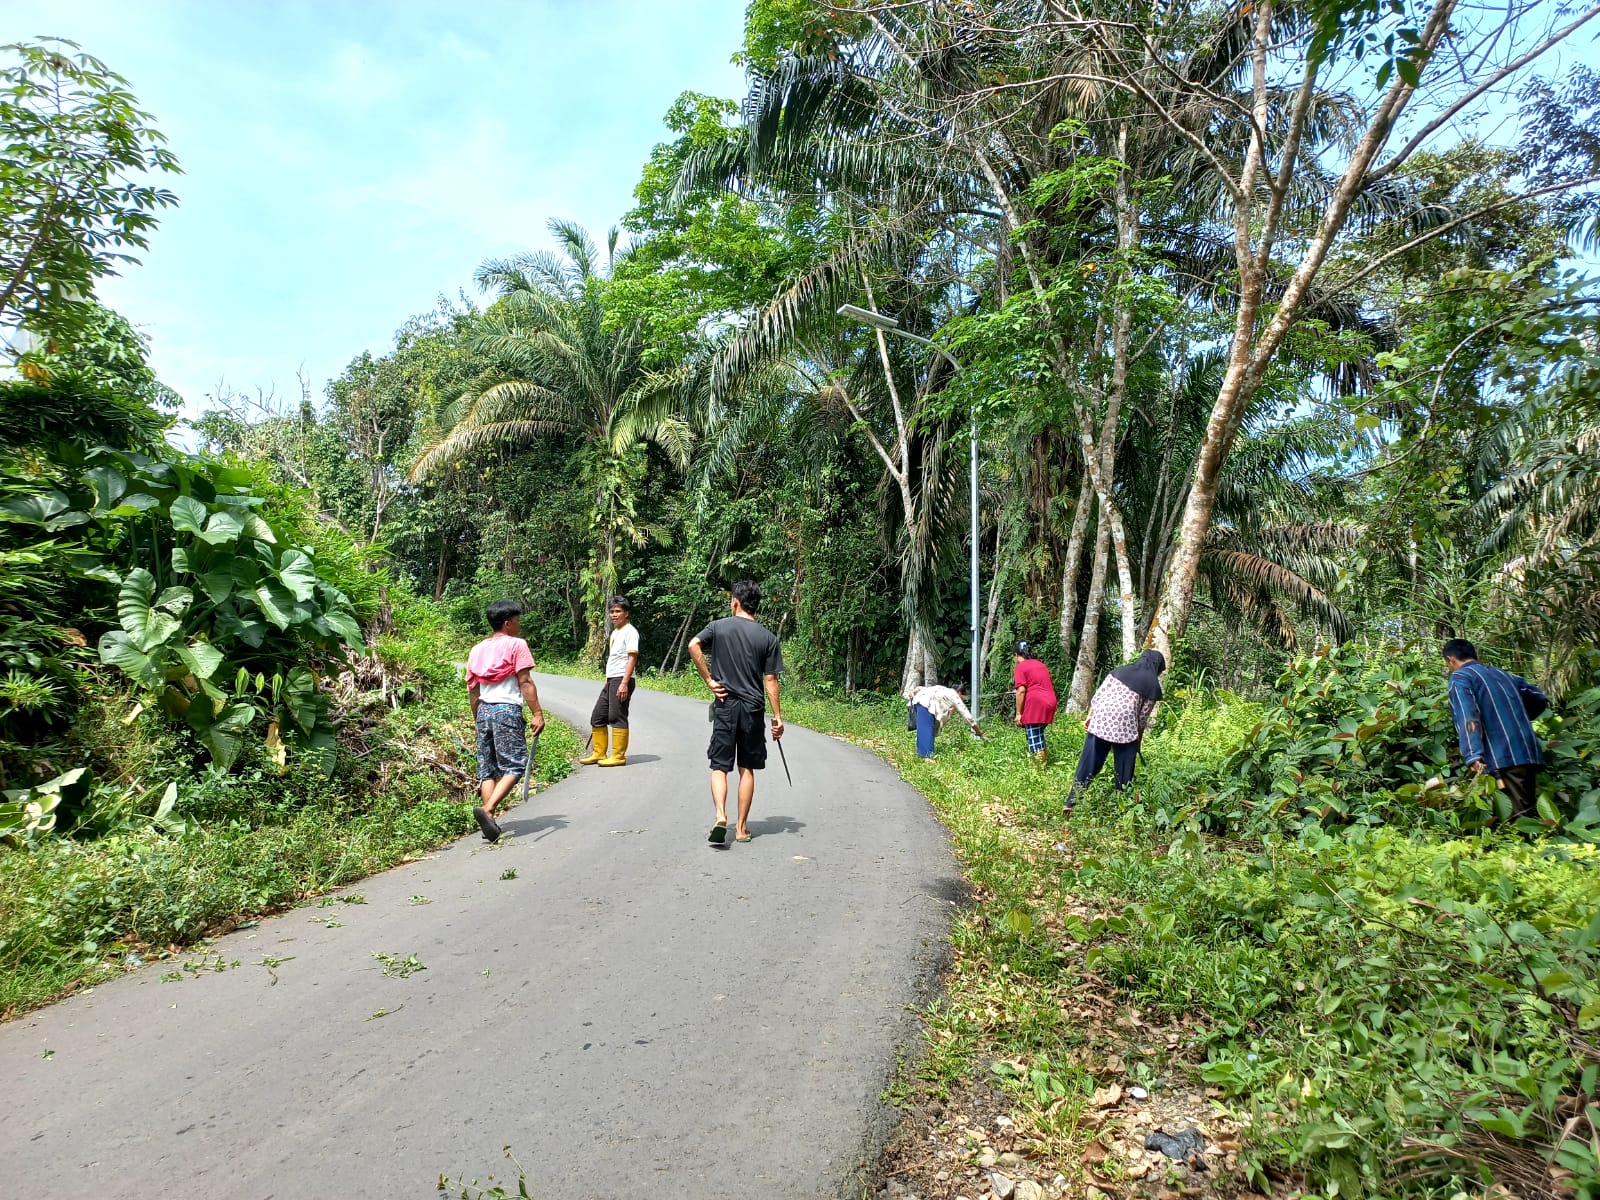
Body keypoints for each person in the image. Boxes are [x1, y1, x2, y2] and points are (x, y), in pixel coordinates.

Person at [688, 580, 784, 845]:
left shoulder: (718, 627)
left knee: (719, 766)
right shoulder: (768, 637)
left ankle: (721, 815)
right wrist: (777, 718)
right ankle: (741, 829)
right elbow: (771, 681)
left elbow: (693, 645)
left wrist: (709, 679)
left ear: (735, 602)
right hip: (753, 708)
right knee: (747, 769)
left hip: (726, 705)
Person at [465, 599, 546, 843]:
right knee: (515, 765)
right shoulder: (517, 645)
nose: (519, 625)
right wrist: (537, 713)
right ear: (508, 622)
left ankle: (489, 822)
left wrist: (477, 720)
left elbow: (473, 690)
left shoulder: (477, 649)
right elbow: (525, 682)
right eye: (518, 620)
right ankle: (488, 810)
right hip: (506, 711)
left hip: (484, 712)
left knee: (487, 768)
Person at [1442, 638, 1546, 820]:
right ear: (1475, 655)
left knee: (1517, 820)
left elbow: (1468, 715)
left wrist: (1473, 754)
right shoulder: (1503, 674)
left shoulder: (1461, 677)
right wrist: (1517, 717)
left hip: (1502, 755)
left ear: (1451, 660)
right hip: (1527, 750)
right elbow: (1539, 697)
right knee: (1527, 810)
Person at [1065, 648, 1166, 815]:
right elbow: (1141, 720)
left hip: (1101, 720)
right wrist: (1137, 743)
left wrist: (1090, 717)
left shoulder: (1119, 671)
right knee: (1125, 767)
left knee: (1089, 762)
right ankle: (1123, 806)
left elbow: (1098, 697)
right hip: (1125, 726)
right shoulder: (1153, 685)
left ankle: (1071, 802)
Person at [580, 595, 640, 768]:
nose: (614, 614)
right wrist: (609, 681)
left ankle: (618, 756)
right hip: (612, 680)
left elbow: (632, 658)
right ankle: (599, 752)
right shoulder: (615, 632)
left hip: (622, 679)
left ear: (626, 613)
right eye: (612, 612)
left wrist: (624, 683)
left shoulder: (630, 632)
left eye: (618, 611)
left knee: (617, 716)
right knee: (598, 716)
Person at [905, 682, 981, 759]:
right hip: (926, 704)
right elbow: (968, 717)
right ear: (959, 693)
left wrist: (913, 691)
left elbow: (920, 688)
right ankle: (927, 757)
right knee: (927, 730)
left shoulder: (943, 689)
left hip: (919, 702)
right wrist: (979, 732)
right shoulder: (954, 695)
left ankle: (921, 754)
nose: (962, 700)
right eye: (963, 698)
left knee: (924, 730)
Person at [1012, 641, 1059, 764]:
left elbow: (1021, 691)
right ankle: (1042, 768)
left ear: (1016, 655)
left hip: (1036, 705)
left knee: (1035, 742)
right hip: (1050, 702)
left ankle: (1038, 773)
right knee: (1038, 737)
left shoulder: (1020, 667)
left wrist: (1018, 714)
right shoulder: (1040, 664)